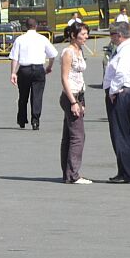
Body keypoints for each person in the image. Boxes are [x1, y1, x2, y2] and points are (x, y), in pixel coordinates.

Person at [103, 21, 130, 183]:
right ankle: (123, 171)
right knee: (121, 135)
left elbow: (121, 73)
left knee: (120, 136)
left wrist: (113, 91)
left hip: (121, 94)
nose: (111, 38)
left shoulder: (125, 51)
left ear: (119, 35)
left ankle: (127, 174)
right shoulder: (128, 49)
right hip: (127, 93)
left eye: (112, 35)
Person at [8, 18, 57, 130]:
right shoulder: (42, 39)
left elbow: (14, 58)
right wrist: (49, 67)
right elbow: (53, 54)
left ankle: (21, 119)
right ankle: (35, 121)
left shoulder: (20, 39)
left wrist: (13, 73)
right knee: (37, 96)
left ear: (26, 27)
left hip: (24, 69)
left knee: (23, 96)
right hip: (39, 69)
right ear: (36, 26)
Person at [59, 22, 90, 184]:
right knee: (78, 136)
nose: (86, 37)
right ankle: (73, 174)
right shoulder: (68, 52)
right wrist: (73, 102)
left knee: (69, 136)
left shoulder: (79, 50)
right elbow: (64, 78)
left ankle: (67, 172)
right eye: (83, 34)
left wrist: (81, 99)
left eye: (86, 34)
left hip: (79, 94)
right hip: (70, 96)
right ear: (73, 35)